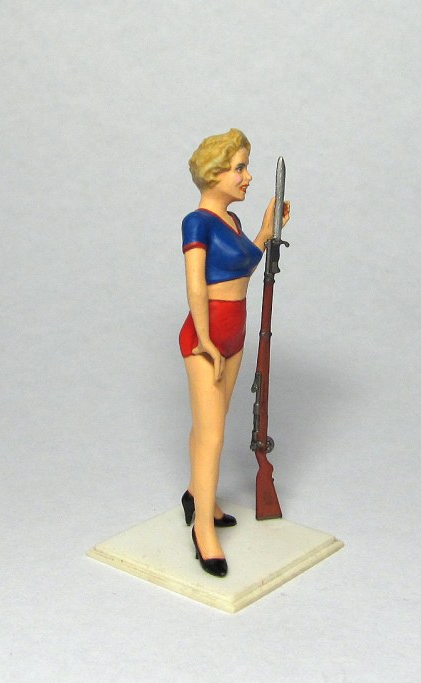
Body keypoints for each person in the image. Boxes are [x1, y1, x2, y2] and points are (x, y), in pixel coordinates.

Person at [178, 129, 290, 577]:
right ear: (215, 173)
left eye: (246, 167)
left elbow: (244, 266)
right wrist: (206, 340)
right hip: (204, 340)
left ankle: (196, 495)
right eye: (239, 168)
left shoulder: (233, 222)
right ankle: (203, 528)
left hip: (236, 335)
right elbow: (194, 286)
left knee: (212, 423)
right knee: (213, 435)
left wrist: (265, 231)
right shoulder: (197, 222)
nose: (248, 177)